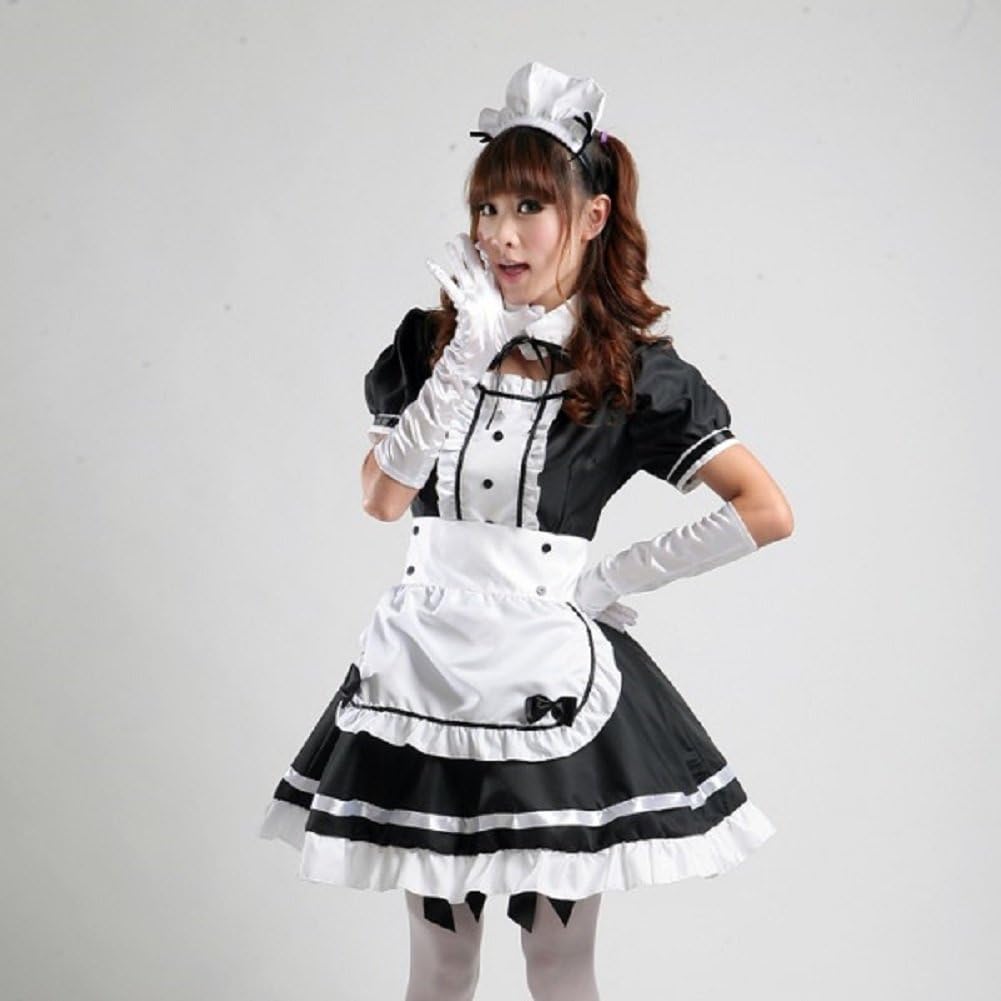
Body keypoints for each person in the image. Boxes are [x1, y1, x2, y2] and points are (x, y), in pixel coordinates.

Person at [258, 61, 794, 1001]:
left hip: (550, 680)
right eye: (487, 207)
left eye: (529, 207)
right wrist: (461, 358)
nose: (499, 234)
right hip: (423, 667)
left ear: (591, 216)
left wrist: (611, 578)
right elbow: (382, 500)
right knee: (440, 962)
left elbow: (764, 508)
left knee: (556, 961)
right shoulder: (428, 346)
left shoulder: (632, 371)